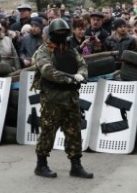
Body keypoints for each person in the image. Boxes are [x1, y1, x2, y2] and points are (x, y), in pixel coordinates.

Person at [31, 18, 93, 179]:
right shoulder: (44, 51)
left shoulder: (70, 50)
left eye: (64, 32)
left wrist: (82, 75)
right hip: (52, 99)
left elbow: (82, 64)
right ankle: (41, 164)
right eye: (58, 33)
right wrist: (71, 78)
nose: (61, 35)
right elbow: (47, 71)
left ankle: (76, 165)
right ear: (51, 34)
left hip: (71, 98)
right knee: (48, 131)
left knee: (74, 132)